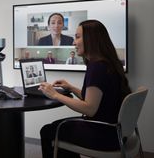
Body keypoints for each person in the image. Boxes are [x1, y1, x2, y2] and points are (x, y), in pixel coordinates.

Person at [38, 20, 131, 158]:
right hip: (115, 131)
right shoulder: (108, 63)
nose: (74, 43)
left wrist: (55, 95)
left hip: (103, 134)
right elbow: (95, 100)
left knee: (48, 131)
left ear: (91, 39)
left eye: (77, 37)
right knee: (58, 127)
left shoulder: (97, 67)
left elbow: (89, 108)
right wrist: (70, 87)